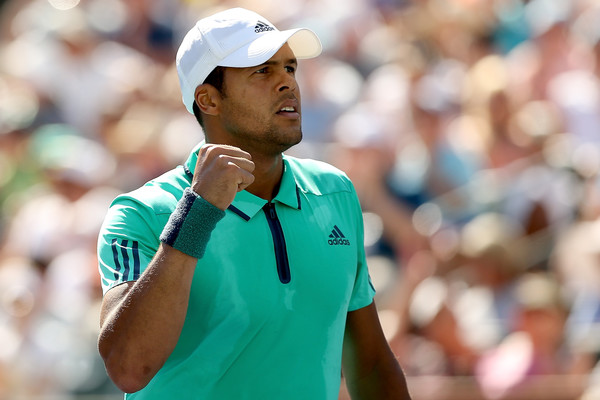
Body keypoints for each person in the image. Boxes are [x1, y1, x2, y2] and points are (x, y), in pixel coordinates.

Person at [96, 7, 411, 400]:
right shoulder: (141, 213)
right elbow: (128, 368)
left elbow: (371, 363)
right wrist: (196, 214)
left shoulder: (336, 192)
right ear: (208, 100)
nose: (288, 84)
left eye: (290, 68)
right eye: (262, 71)